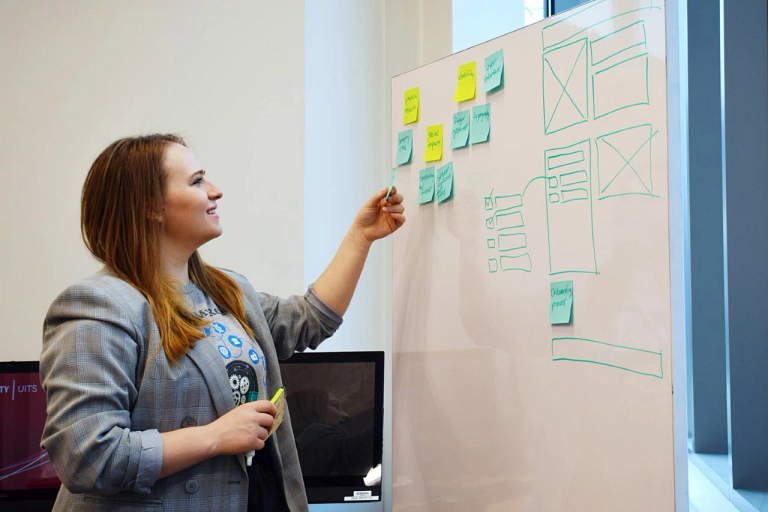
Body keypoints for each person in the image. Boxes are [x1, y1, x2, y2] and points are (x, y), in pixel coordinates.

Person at [39, 134, 405, 511]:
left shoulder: (226, 289)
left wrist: (361, 237)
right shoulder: (98, 306)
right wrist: (215, 436)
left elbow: (309, 320)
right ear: (150, 206)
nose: (216, 191)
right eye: (197, 181)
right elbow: (86, 455)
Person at [289, 388, 374, 477]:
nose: (346, 415)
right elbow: (354, 451)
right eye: (335, 406)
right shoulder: (314, 435)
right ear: (312, 412)